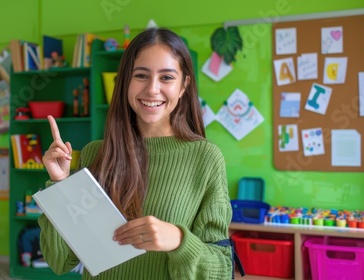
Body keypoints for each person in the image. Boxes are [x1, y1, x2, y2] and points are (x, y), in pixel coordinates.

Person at [39, 27, 234, 279]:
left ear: (184, 85)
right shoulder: (94, 154)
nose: (152, 89)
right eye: (141, 75)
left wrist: (178, 239)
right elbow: (60, 261)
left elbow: (221, 269)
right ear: (124, 81)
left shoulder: (205, 158)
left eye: (166, 77)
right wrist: (60, 186)